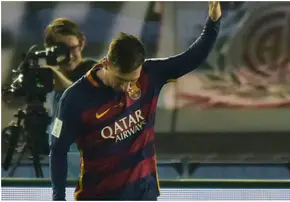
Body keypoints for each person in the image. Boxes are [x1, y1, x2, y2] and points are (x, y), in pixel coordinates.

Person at [50, 1, 222, 200]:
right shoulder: (74, 98)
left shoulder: (151, 75)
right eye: (120, 80)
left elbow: (193, 57)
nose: (126, 87)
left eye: (132, 81)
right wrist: (58, 198)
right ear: (106, 63)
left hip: (144, 194)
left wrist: (214, 21)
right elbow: (58, 152)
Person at [42, 18, 97, 146]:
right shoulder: (49, 77)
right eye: (61, 50)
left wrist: (54, 74)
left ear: (82, 42)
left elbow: (79, 92)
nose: (69, 56)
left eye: (73, 49)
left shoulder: (95, 70)